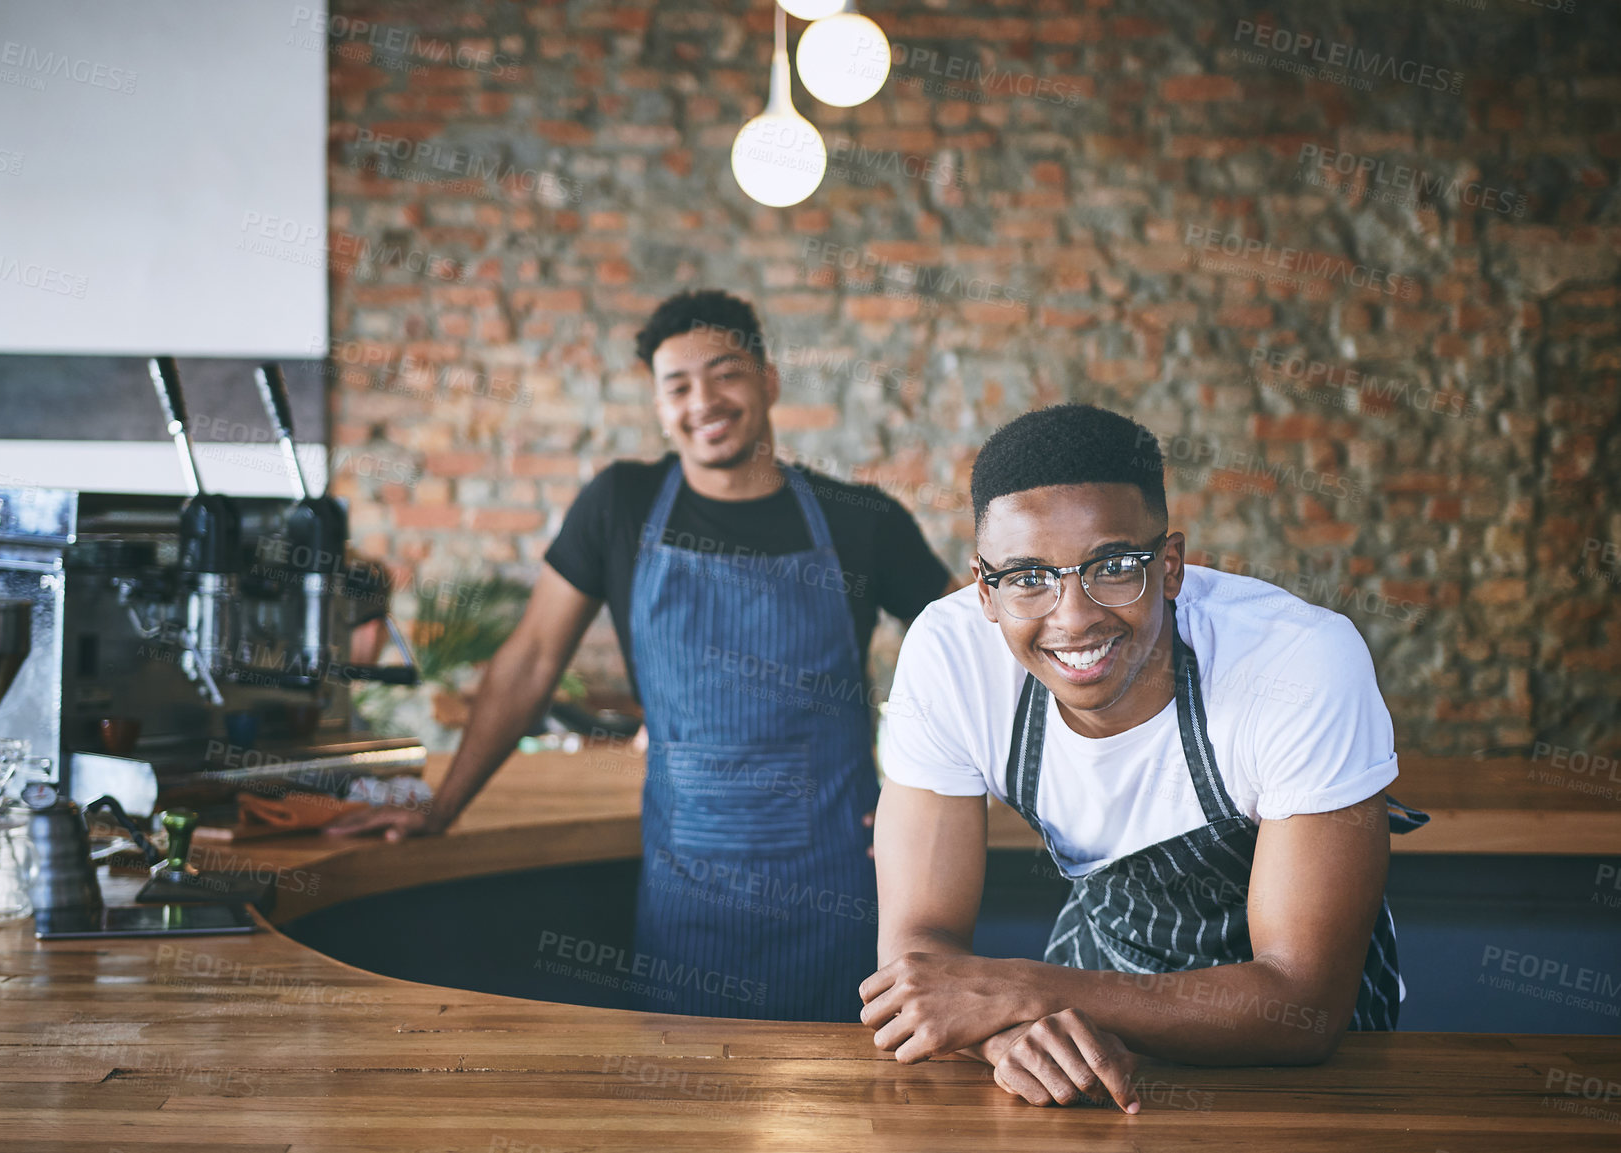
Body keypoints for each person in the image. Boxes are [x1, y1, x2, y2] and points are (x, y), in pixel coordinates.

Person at [327, 289, 954, 1022]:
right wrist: (441, 807)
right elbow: (528, 660)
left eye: (725, 373)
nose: (704, 401)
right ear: (658, 405)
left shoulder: (860, 520)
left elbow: (977, 641)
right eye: (677, 385)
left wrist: (928, 792)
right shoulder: (619, 506)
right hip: (689, 899)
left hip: (837, 888)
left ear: (769, 380)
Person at [861, 403, 1426, 1110]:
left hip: (1293, 1062)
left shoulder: (1299, 661)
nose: (1074, 616)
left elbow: (1300, 1005)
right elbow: (920, 954)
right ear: (983, 589)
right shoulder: (947, 660)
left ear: (1171, 565)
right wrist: (1010, 1040)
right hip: (1090, 1010)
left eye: (1114, 566)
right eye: (1029, 577)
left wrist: (1026, 991)